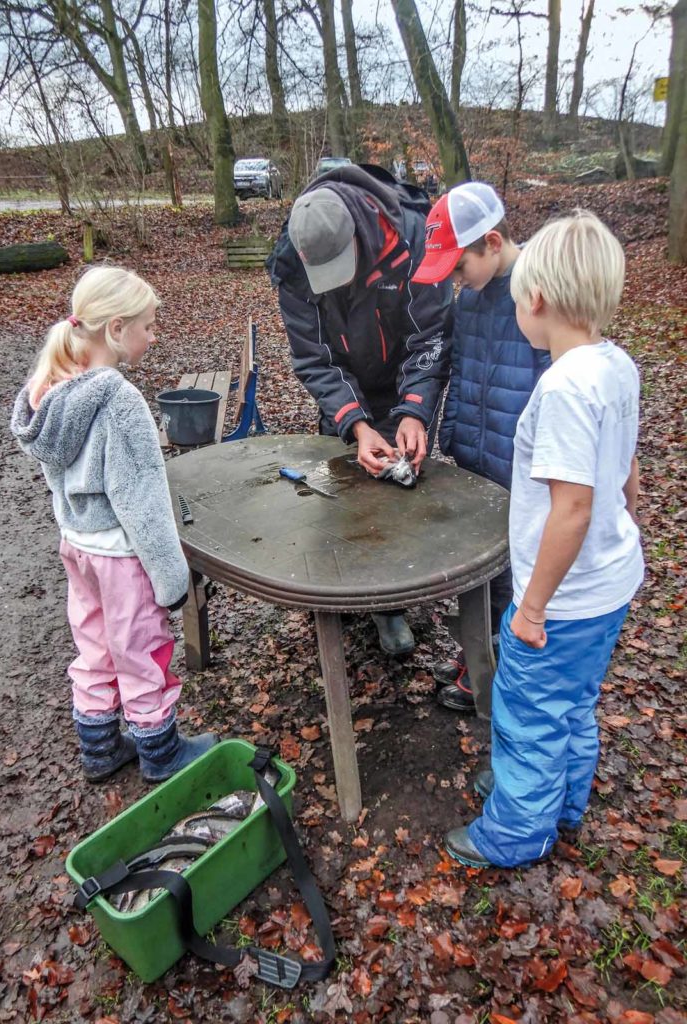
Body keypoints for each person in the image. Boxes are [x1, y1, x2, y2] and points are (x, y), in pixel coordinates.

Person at [444, 210, 644, 868]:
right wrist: (630, 527)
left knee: (528, 711)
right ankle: (562, 801)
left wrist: (530, 608)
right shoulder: (617, 367)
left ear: (534, 300)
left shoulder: (562, 387)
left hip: (559, 602)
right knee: (574, 703)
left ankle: (516, 832)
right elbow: (625, 473)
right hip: (610, 585)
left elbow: (573, 508)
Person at [11, 266, 217, 784]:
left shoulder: (49, 388)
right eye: (148, 325)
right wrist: (173, 582)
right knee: (140, 647)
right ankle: (160, 751)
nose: (154, 335)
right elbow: (142, 503)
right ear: (116, 329)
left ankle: (100, 746)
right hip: (122, 555)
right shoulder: (119, 403)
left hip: (77, 546)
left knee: (95, 644)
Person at [267, 163, 453, 656]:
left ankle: (392, 603)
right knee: (346, 485)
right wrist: (354, 421)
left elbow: (430, 335)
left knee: (398, 489)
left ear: (360, 234)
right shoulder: (292, 263)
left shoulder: (411, 235)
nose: (327, 283)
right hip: (347, 382)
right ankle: (342, 592)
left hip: (400, 377)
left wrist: (414, 409)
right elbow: (314, 357)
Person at [411, 181, 551, 712]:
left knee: (510, 575)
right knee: (477, 569)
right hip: (473, 454)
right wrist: (420, 417)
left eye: (457, 265)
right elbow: (443, 362)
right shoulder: (467, 299)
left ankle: (495, 674)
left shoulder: (539, 294)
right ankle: (476, 653)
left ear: (492, 243)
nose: (452, 278)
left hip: (521, 467)